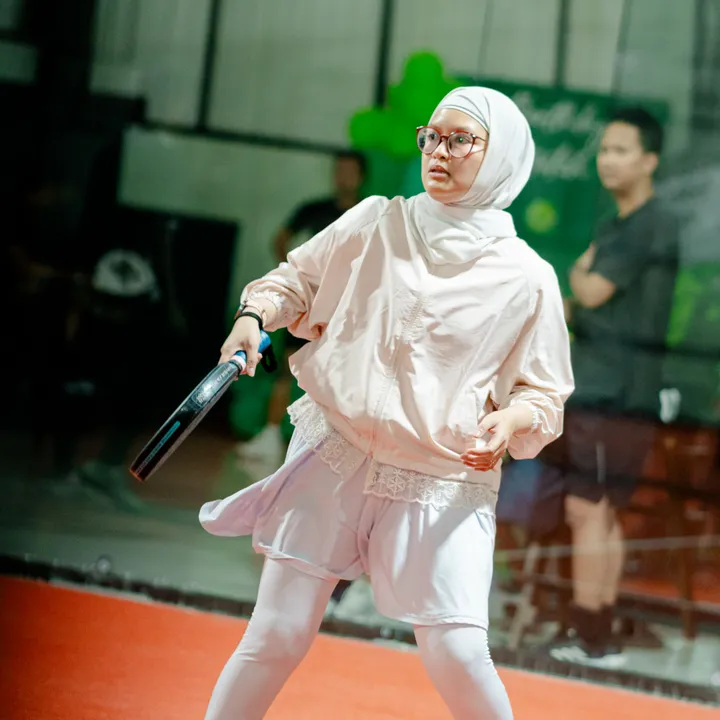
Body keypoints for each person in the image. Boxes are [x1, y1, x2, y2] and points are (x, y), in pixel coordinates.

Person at [200, 86, 574, 720]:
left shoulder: (526, 275)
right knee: (276, 634)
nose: (439, 151)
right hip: (334, 450)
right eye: (432, 136)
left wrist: (508, 421)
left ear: (502, 155)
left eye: (461, 140)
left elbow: (543, 394)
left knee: (459, 654)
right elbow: (296, 282)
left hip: (441, 478)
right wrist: (252, 316)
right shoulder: (376, 220)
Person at [547, 107, 680, 667]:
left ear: (649, 161)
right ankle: (597, 632)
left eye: (621, 150)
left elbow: (589, 290)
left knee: (587, 512)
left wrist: (579, 277)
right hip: (618, 391)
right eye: (604, 149)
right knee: (601, 513)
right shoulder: (623, 222)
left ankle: (591, 636)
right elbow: (584, 296)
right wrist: (579, 288)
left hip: (612, 393)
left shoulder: (645, 223)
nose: (608, 159)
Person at [234, 150, 366, 458]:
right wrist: (298, 277)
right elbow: (280, 238)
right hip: (310, 303)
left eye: (349, 171)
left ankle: (332, 447)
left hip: (347, 309)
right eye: (339, 170)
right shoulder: (314, 210)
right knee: (287, 368)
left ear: (361, 176)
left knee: (338, 375)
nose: (343, 177)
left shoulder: (368, 214)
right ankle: (270, 435)